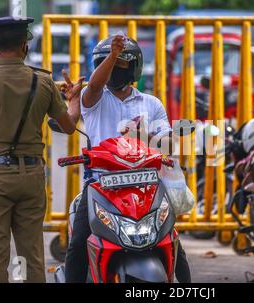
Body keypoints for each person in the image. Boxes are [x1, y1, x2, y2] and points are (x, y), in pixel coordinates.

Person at [0, 16, 83, 283]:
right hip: (31, 176)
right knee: (30, 256)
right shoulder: (43, 82)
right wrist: (73, 100)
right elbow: (70, 126)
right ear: (25, 46)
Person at [64, 34, 191, 283]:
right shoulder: (94, 99)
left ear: (134, 67)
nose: (111, 70)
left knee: (173, 243)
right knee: (78, 243)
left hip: (146, 186)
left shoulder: (151, 103)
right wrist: (112, 56)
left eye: (119, 64)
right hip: (102, 185)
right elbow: (96, 85)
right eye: (105, 64)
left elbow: (169, 144)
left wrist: (145, 135)